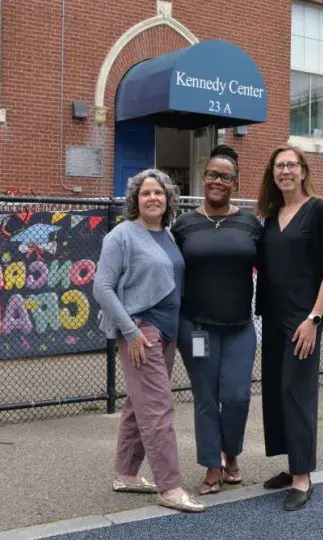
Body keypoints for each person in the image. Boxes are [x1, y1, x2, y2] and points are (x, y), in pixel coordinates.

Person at [92, 168, 205, 513]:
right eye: (145, 193)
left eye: (158, 192)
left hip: (168, 332)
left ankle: (126, 474)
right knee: (158, 409)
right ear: (135, 200)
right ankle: (170, 487)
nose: (152, 198)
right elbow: (102, 287)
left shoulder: (168, 235)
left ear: (168, 198)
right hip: (141, 332)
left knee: (138, 405)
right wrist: (131, 332)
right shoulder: (122, 235)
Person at [254, 144, 323, 511]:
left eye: (291, 165)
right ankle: (290, 467)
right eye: (279, 166)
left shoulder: (321, 211)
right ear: (273, 175)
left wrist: (314, 319)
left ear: (303, 171)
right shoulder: (272, 216)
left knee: (298, 392)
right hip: (273, 317)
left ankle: (303, 476)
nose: (285, 171)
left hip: (302, 318)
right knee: (275, 392)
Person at [171, 145, 262, 496]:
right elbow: (167, 269)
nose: (217, 181)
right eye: (212, 174)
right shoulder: (184, 224)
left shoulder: (250, 223)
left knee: (237, 396)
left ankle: (231, 454)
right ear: (203, 177)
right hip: (197, 329)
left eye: (225, 176)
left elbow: (272, 270)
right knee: (206, 397)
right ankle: (212, 467)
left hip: (240, 327)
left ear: (236, 184)